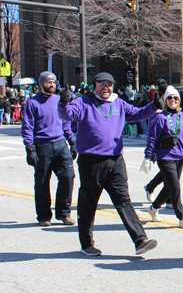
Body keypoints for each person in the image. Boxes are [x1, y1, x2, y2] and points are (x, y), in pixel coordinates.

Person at [57, 72, 160, 256]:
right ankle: (87, 244)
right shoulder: (84, 102)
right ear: (94, 85)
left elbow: (137, 114)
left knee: (123, 200)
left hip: (115, 160)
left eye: (109, 84)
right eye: (101, 84)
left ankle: (140, 240)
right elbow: (67, 115)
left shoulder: (118, 103)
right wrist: (63, 103)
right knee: (88, 204)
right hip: (91, 161)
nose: (105, 87)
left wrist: (155, 106)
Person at [140, 86, 183, 228]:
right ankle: (182, 218)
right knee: (175, 186)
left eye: (175, 98)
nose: (172, 100)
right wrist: (147, 157)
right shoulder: (160, 117)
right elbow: (152, 139)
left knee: (169, 187)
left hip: (180, 156)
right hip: (165, 156)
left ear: (179, 100)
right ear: (165, 100)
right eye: (169, 98)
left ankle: (153, 208)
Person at [21, 71, 76, 226]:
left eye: (53, 82)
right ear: (41, 84)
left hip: (60, 144)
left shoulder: (59, 100)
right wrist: (30, 149)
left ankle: (64, 213)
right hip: (42, 146)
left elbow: (66, 122)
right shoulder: (33, 103)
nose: (52, 85)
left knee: (68, 177)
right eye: (48, 82)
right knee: (42, 182)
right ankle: (44, 216)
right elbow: (27, 127)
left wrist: (72, 142)